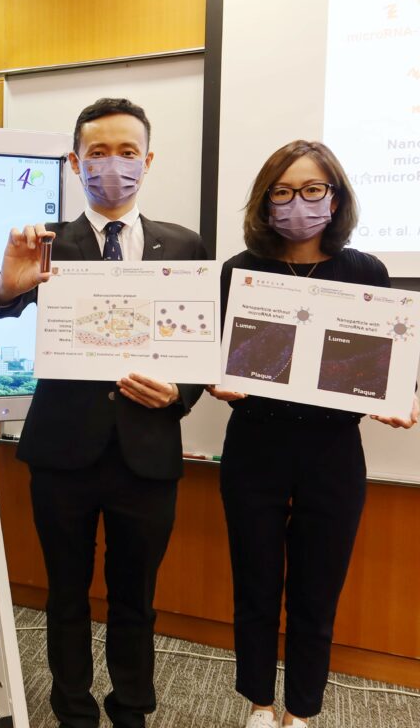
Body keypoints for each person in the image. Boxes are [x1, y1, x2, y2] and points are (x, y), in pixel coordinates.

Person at [0, 97, 206, 728]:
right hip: (62, 456)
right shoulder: (47, 241)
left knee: (136, 599)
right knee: (66, 596)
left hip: (148, 452)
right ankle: (73, 713)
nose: (114, 165)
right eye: (99, 153)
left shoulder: (183, 245)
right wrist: (7, 285)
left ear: (149, 160)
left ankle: (132, 711)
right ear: (75, 161)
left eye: (127, 152)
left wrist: (181, 393)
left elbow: (202, 347)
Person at [207, 140, 418, 728]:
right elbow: (209, 359)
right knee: (255, 586)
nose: (297, 202)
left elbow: (391, 358)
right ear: (265, 199)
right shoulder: (241, 271)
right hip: (255, 446)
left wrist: (398, 396)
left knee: (316, 591)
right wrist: (212, 383)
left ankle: (301, 711)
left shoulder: (365, 271)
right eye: (282, 191)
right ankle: (258, 702)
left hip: (332, 453)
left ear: (336, 195)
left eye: (312, 189)